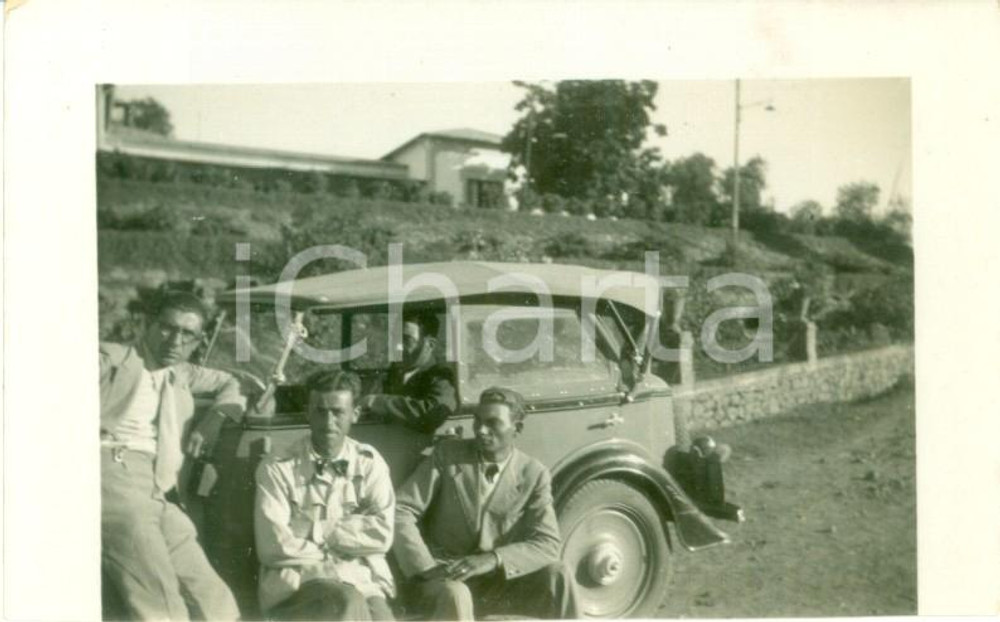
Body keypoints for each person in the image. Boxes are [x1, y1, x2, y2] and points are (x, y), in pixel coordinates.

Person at [100, 290, 244, 620]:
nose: (175, 340)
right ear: (147, 324)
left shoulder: (182, 373)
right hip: (110, 471)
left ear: (198, 340)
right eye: (167, 328)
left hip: (157, 486)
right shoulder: (113, 359)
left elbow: (232, 384)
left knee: (209, 588)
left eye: (187, 333)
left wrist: (215, 419)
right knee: (160, 596)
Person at [393, 387, 579, 620]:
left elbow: (548, 543)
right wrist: (425, 567)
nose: (481, 430)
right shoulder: (447, 455)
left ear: (516, 429)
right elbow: (401, 510)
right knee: (456, 594)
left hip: (500, 581)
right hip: (446, 578)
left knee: (558, 573)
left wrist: (494, 559)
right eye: (477, 421)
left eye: (493, 423)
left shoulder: (533, 474)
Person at [255, 370, 396, 621]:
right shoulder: (278, 466)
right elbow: (272, 545)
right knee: (346, 603)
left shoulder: (370, 463)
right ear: (308, 412)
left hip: (361, 579)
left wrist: (313, 531)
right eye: (321, 411)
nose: (328, 422)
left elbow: (382, 535)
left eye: (338, 412)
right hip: (299, 583)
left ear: (355, 414)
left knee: (381, 616)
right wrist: (349, 539)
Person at [358, 310, 457, 433]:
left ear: (430, 344)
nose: (397, 347)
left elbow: (434, 412)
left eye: (407, 339)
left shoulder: (440, 376)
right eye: (395, 339)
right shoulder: (393, 374)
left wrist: (375, 402)